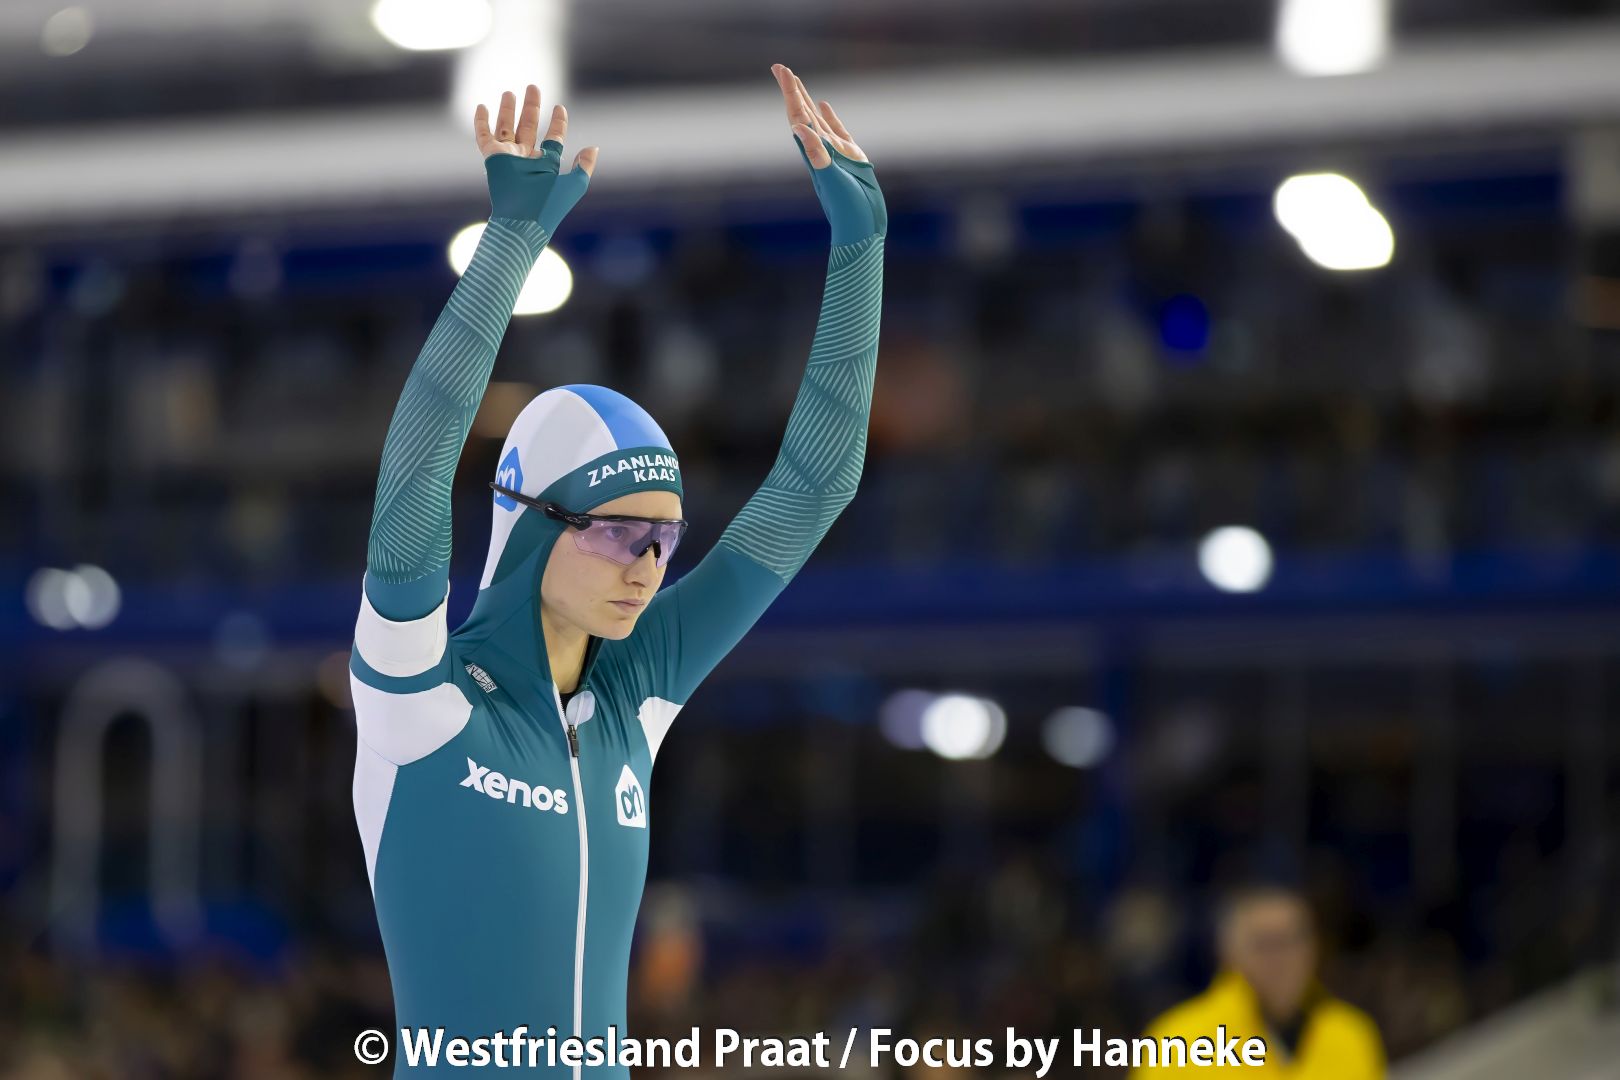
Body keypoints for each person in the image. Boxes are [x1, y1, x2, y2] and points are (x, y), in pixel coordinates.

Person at [346, 65, 886, 1075]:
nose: (648, 568)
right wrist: (510, 243)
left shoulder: (634, 692)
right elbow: (415, 473)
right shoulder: (418, 700)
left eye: (665, 541)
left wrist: (861, 248)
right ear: (531, 525)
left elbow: (814, 484)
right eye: (616, 533)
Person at [1130, 886, 1385, 1078]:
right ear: (1229, 953)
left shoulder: (1352, 1036)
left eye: (1293, 939)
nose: (1280, 958)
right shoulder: (1179, 1041)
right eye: (1263, 943)